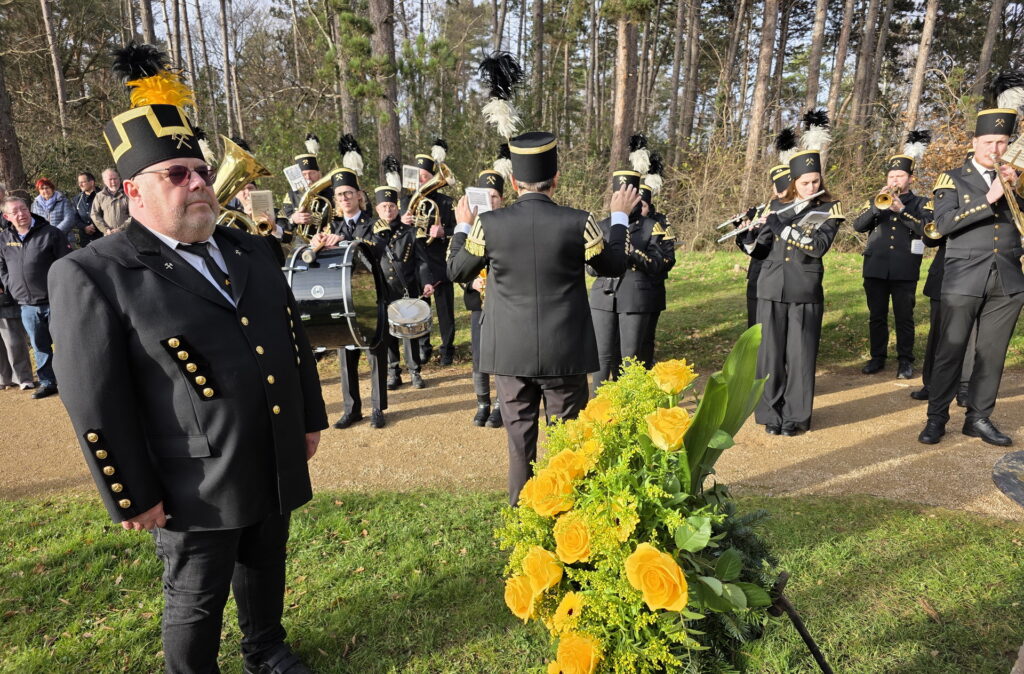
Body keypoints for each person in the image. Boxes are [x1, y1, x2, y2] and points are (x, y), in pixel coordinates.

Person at [47, 44, 325, 674]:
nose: (199, 181)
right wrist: (130, 494)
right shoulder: (94, 273)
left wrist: (306, 419)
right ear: (132, 191)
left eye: (199, 169)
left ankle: (266, 649)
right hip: (189, 480)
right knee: (196, 597)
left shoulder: (249, 250)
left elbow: (289, 338)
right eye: (176, 174)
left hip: (267, 447)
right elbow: (94, 398)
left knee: (265, 560)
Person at [448, 131, 635, 505]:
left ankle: (523, 521)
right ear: (556, 178)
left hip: (510, 356)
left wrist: (462, 224)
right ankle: (566, 520)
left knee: (520, 446)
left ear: (514, 182)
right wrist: (620, 217)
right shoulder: (579, 221)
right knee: (567, 447)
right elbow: (614, 265)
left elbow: (457, 270)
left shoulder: (490, 224)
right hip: (564, 353)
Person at [918, 101, 1024, 446]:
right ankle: (936, 418)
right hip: (963, 277)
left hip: (1007, 278)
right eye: (989, 141)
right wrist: (990, 197)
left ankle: (978, 418)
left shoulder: (1017, 178)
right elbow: (943, 224)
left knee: (992, 355)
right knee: (950, 353)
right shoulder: (952, 178)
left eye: (1002, 142)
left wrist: (1016, 189)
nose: (996, 149)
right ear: (975, 142)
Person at [748, 146, 844, 436]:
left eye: (815, 181)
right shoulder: (776, 207)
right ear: (793, 183)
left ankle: (796, 416)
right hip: (771, 287)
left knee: (800, 355)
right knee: (770, 353)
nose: (811, 187)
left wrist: (781, 227)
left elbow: (816, 247)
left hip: (804, 288)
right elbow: (761, 250)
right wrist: (748, 235)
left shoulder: (829, 209)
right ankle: (770, 413)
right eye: (805, 183)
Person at [311, 167, 391, 429]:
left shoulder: (375, 223)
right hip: (341, 297)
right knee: (345, 354)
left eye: (348, 193)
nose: (344, 198)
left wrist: (344, 239)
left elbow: (377, 250)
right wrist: (317, 245)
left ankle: (377, 408)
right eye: (339, 195)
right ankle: (352, 409)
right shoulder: (329, 226)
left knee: (375, 353)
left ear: (359, 196)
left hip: (370, 296)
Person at [853, 131, 932, 379]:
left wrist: (902, 210)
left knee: (904, 317)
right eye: (891, 176)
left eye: (900, 175)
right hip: (875, 267)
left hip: (904, 268)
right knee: (876, 316)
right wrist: (877, 207)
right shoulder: (876, 200)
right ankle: (877, 357)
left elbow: (926, 230)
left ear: (910, 178)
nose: (895, 179)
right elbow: (858, 226)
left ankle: (905, 360)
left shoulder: (921, 203)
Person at [589, 169, 667, 390]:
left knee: (630, 358)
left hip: (634, 298)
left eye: (629, 196)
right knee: (601, 356)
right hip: (603, 297)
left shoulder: (651, 227)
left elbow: (658, 264)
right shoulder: (602, 226)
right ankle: (599, 403)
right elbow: (591, 269)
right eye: (618, 195)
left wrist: (632, 252)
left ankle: (628, 404)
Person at [0, 195, 69, 398]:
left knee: (65, 343)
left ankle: (72, 380)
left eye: (23, 209)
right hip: (26, 305)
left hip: (55, 300)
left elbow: (66, 264)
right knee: (40, 347)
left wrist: (61, 290)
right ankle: (48, 383)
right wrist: (10, 285)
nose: (21, 214)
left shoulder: (51, 233)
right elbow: (2, 267)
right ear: (6, 216)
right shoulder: (4, 239)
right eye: (15, 212)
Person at [405, 142, 457, 365]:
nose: (421, 181)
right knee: (421, 307)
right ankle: (424, 346)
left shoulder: (446, 202)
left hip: (439, 260)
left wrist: (444, 231)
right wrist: (403, 222)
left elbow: (459, 228)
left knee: (445, 310)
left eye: (425, 177)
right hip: (417, 262)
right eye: (418, 176)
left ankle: (447, 348)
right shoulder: (405, 202)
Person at [376, 185, 430, 392]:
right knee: (388, 334)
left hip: (407, 289)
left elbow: (422, 262)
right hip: (384, 290)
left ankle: (415, 371)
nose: (388, 210)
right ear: (377, 209)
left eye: (391, 206)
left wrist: (426, 282)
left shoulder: (411, 232)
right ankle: (394, 372)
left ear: (397, 208)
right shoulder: (372, 233)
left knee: (409, 332)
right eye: (383, 206)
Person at [462, 169, 505, 427]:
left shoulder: (509, 225)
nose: (490, 200)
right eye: (486, 195)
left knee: (501, 355)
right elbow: (456, 265)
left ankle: (500, 405)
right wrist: (471, 282)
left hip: (503, 303)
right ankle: (482, 404)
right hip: (479, 303)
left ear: (502, 199)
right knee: (479, 356)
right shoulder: (469, 228)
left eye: (495, 196)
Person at [277, 134, 332, 242]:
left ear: (319, 174)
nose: (308, 178)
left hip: (329, 240)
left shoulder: (331, 192)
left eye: (312, 173)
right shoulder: (291, 195)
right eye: (304, 174)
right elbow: (282, 223)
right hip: (302, 243)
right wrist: (293, 219)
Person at [0, 270, 34, 390]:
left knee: (14, 342)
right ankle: (4, 379)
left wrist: (3, 285)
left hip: (6, 298)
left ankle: (24, 378)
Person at [31, 178, 77, 242]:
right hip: (45, 240)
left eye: (47, 188)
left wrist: (54, 232)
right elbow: (34, 222)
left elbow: (70, 219)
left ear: (52, 188)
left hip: (64, 239)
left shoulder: (63, 201)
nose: (45, 190)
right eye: (42, 189)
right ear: (39, 191)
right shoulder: (35, 204)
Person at [91, 167, 131, 235]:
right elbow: (94, 214)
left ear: (119, 178)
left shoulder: (128, 193)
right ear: (104, 181)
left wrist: (121, 229)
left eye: (115, 179)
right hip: (109, 235)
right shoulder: (99, 196)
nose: (113, 182)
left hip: (127, 234)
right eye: (110, 179)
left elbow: (135, 215)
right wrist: (105, 229)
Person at [72, 171, 103, 246]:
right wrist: (84, 227)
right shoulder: (76, 199)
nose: (80, 185)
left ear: (92, 182)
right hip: (85, 239)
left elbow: (106, 214)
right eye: (79, 182)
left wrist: (94, 226)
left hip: (102, 236)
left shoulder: (103, 196)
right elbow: (75, 217)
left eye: (83, 182)